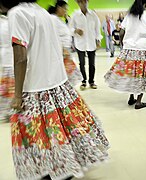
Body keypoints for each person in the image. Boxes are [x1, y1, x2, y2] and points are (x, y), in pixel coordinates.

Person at [0, 0, 109, 179]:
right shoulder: (42, 12)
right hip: (56, 84)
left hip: (35, 87)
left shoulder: (17, 14)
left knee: (38, 136)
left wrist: (18, 95)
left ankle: (48, 171)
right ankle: (63, 168)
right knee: (60, 130)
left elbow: (20, 56)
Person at [104, 0, 146, 109]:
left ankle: (131, 97)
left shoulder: (129, 16)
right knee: (142, 75)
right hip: (143, 49)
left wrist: (123, 44)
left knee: (131, 74)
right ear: (145, 4)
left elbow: (122, 32)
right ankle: (138, 102)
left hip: (129, 49)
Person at [69, 0, 102, 90]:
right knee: (82, 64)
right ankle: (83, 81)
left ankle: (91, 81)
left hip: (91, 43)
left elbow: (97, 29)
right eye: (81, 2)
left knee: (92, 64)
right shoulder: (74, 15)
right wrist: (75, 31)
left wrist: (98, 40)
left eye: (85, 2)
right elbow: (70, 29)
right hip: (80, 43)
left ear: (88, 2)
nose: (83, 4)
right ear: (78, 3)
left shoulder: (93, 15)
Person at [48, 0, 82, 86]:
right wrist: (63, 49)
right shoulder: (53, 19)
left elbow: (66, 32)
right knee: (65, 75)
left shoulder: (58, 19)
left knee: (68, 75)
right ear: (59, 8)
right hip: (61, 51)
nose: (66, 11)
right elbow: (53, 36)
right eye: (65, 9)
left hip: (65, 50)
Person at [0, 12, 14, 122]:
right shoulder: (8, 22)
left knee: (6, 86)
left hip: (6, 57)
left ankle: (5, 112)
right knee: (10, 86)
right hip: (10, 57)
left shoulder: (4, 22)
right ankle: (8, 112)